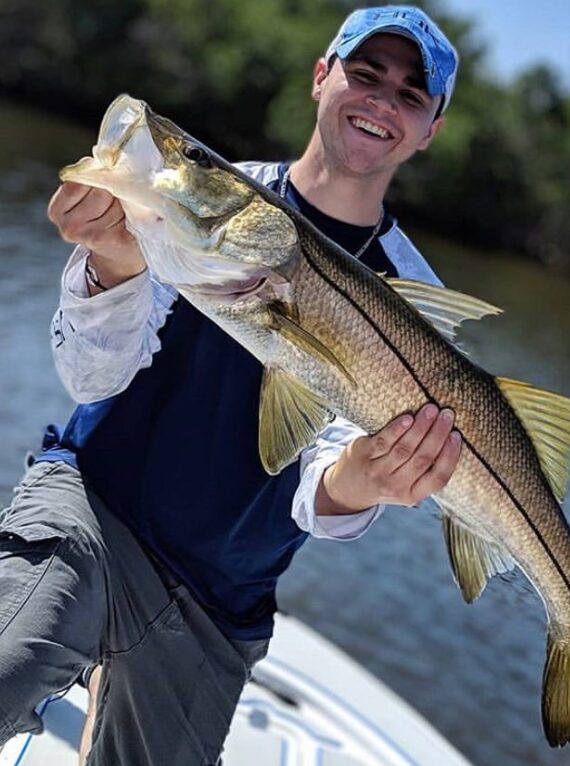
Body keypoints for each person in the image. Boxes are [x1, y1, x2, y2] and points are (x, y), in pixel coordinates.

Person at [0, 6, 460, 765]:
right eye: (365, 73)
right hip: (92, 504)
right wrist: (116, 263)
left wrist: (367, 478)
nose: (382, 100)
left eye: (412, 94)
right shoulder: (205, 194)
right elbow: (89, 377)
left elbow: (322, 498)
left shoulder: (419, 305)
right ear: (322, 77)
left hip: (219, 594)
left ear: (431, 128)